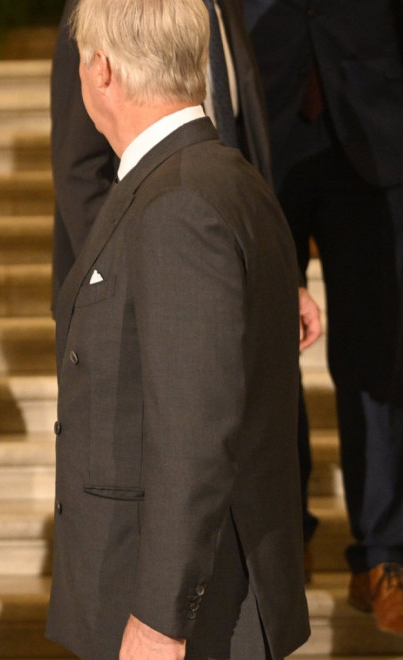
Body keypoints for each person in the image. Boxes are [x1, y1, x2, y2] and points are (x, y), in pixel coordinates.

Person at [46, 0, 311, 657]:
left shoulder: (180, 204)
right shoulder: (219, 179)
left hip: (189, 617)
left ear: (100, 70)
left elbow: (194, 434)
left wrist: (160, 620)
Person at [245, 0, 403, 634]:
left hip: (373, 126)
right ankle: (287, 536)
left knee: (377, 353)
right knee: (268, 349)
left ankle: (383, 554)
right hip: (262, 131)